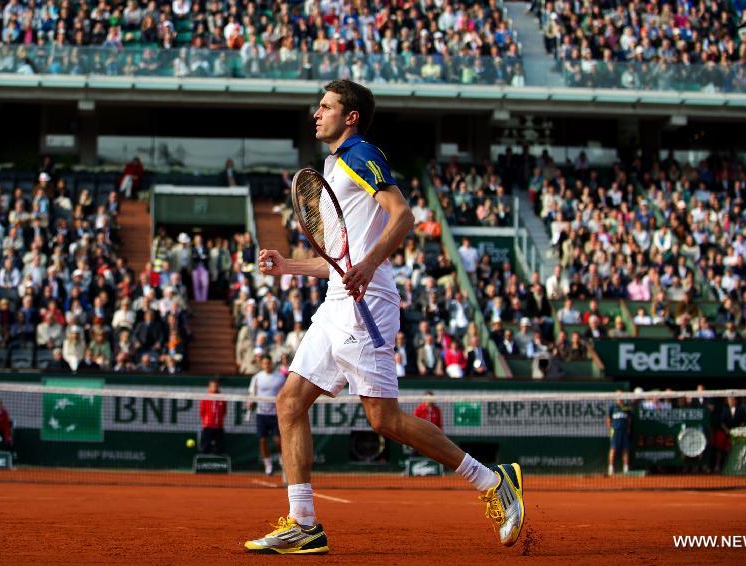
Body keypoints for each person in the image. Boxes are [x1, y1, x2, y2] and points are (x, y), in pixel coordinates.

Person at [249, 80, 524, 555]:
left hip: (366, 301)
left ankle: (491, 481)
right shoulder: (334, 166)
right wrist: (289, 267)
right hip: (338, 299)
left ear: (350, 116)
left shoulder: (360, 154)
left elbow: (403, 215)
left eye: (327, 107)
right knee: (289, 403)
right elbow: (339, 258)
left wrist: (370, 264)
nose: (317, 114)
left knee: (384, 419)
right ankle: (304, 523)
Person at [247, 355, 286, 475]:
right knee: (262, 440)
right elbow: (252, 394)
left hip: (276, 414)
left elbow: (285, 393)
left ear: (271, 364)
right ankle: (268, 465)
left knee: (278, 440)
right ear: (262, 364)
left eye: (268, 363)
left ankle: (282, 460)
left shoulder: (280, 377)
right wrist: (250, 402)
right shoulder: (257, 378)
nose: (267, 365)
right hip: (261, 414)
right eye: (264, 363)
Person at [199, 379, 226, 454]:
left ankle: (219, 463)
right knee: (205, 447)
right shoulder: (205, 397)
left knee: (220, 448)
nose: (215, 388)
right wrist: (206, 421)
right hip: (208, 426)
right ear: (209, 387)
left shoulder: (222, 397)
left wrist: (219, 421)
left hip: (219, 427)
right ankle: (203, 461)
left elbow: (224, 411)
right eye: (213, 386)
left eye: (216, 386)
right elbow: (202, 411)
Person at [606, 393, 631, 476]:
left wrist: (628, 428)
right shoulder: (612, 407)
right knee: (613, 449)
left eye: (621, 396)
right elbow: (608, 419)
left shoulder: (626, 407)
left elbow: (629, 419)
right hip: (615, 431)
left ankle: (626, 468)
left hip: (624, 431)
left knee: (625, 449)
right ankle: (610, 468)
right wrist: (610, 429)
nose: (620, 397)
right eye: (618, 396)